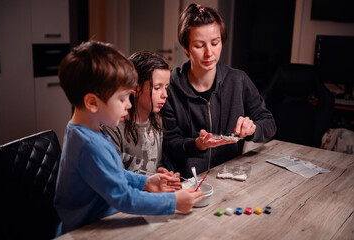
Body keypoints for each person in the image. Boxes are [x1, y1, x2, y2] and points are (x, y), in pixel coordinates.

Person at [54, 41, 204, 234]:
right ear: (92, 102)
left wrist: (145, 182)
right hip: (87, 230)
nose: (129, 105)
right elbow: (124, 198)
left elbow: (111, 172)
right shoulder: (90, 145)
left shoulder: (82, 130)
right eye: (122, 98)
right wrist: (173, 201)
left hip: (103, 221)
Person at [162, 4, 277, 178]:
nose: (210, 53)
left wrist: (252, 129)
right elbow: (169, 144)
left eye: (215, 43)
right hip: (188, 182)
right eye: (200, 45)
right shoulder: (170, 85)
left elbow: (269, 124)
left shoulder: (239, 80)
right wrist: (197, 144)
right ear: (186, 48)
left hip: (229, 177)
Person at [102, 51, 176, 176]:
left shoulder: (157, 120)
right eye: (157, 88)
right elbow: (114, 178)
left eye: (166, 87)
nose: (165, 95)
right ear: (135, 88)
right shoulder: (113, 128)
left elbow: (156, 164)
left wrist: (161, 172)